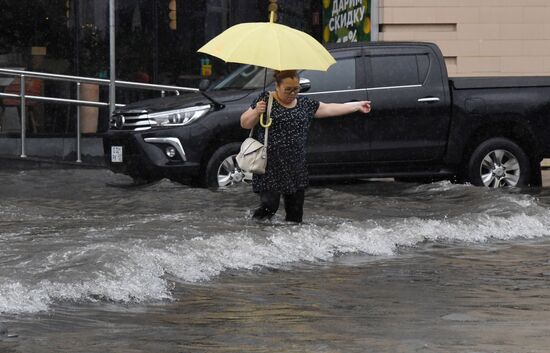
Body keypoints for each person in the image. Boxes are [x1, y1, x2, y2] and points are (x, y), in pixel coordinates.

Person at [240, 70, 371, 223]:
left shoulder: (305, 104)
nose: (292, 93)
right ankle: (255, 232)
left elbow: (329, 108)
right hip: (269, 166)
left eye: (296, 89)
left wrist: (356, 106)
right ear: (277, 86)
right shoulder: (265, 100)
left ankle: (291, 243)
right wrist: (256, 111)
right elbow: (244, 123)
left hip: (295, 165)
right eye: (287, 89)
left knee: (295, 214)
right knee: (269, 206)